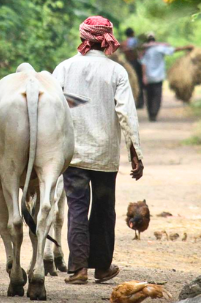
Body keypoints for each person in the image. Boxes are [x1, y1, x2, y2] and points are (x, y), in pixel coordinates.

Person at [53, 16, 144, 285]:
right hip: (104, 155)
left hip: (73, 154)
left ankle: (79, 269)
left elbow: (52, 110)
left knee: (77, 209)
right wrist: (135, 154)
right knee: (104, 210)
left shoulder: (64, 68)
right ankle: (102, 268)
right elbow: (127, 114)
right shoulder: (116, 72)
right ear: (106, 40)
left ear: (84, 38)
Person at [140, 33, 193, 122]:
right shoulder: (160, 48)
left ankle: (151, 113)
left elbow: (143, 64)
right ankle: (154, 113)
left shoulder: (145, 51)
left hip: (148, 78)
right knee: (157, 96)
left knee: (149, 96)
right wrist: (185, 48)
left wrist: (144, 76)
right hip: (158, 77)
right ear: (154, 40)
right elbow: (173, 50)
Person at [122, 28, 145, 108]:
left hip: (127, 63)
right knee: (139, 81)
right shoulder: (135, 41)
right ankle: (140, 102)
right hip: (135, 62)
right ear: (133, 33)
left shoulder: (123, 43)